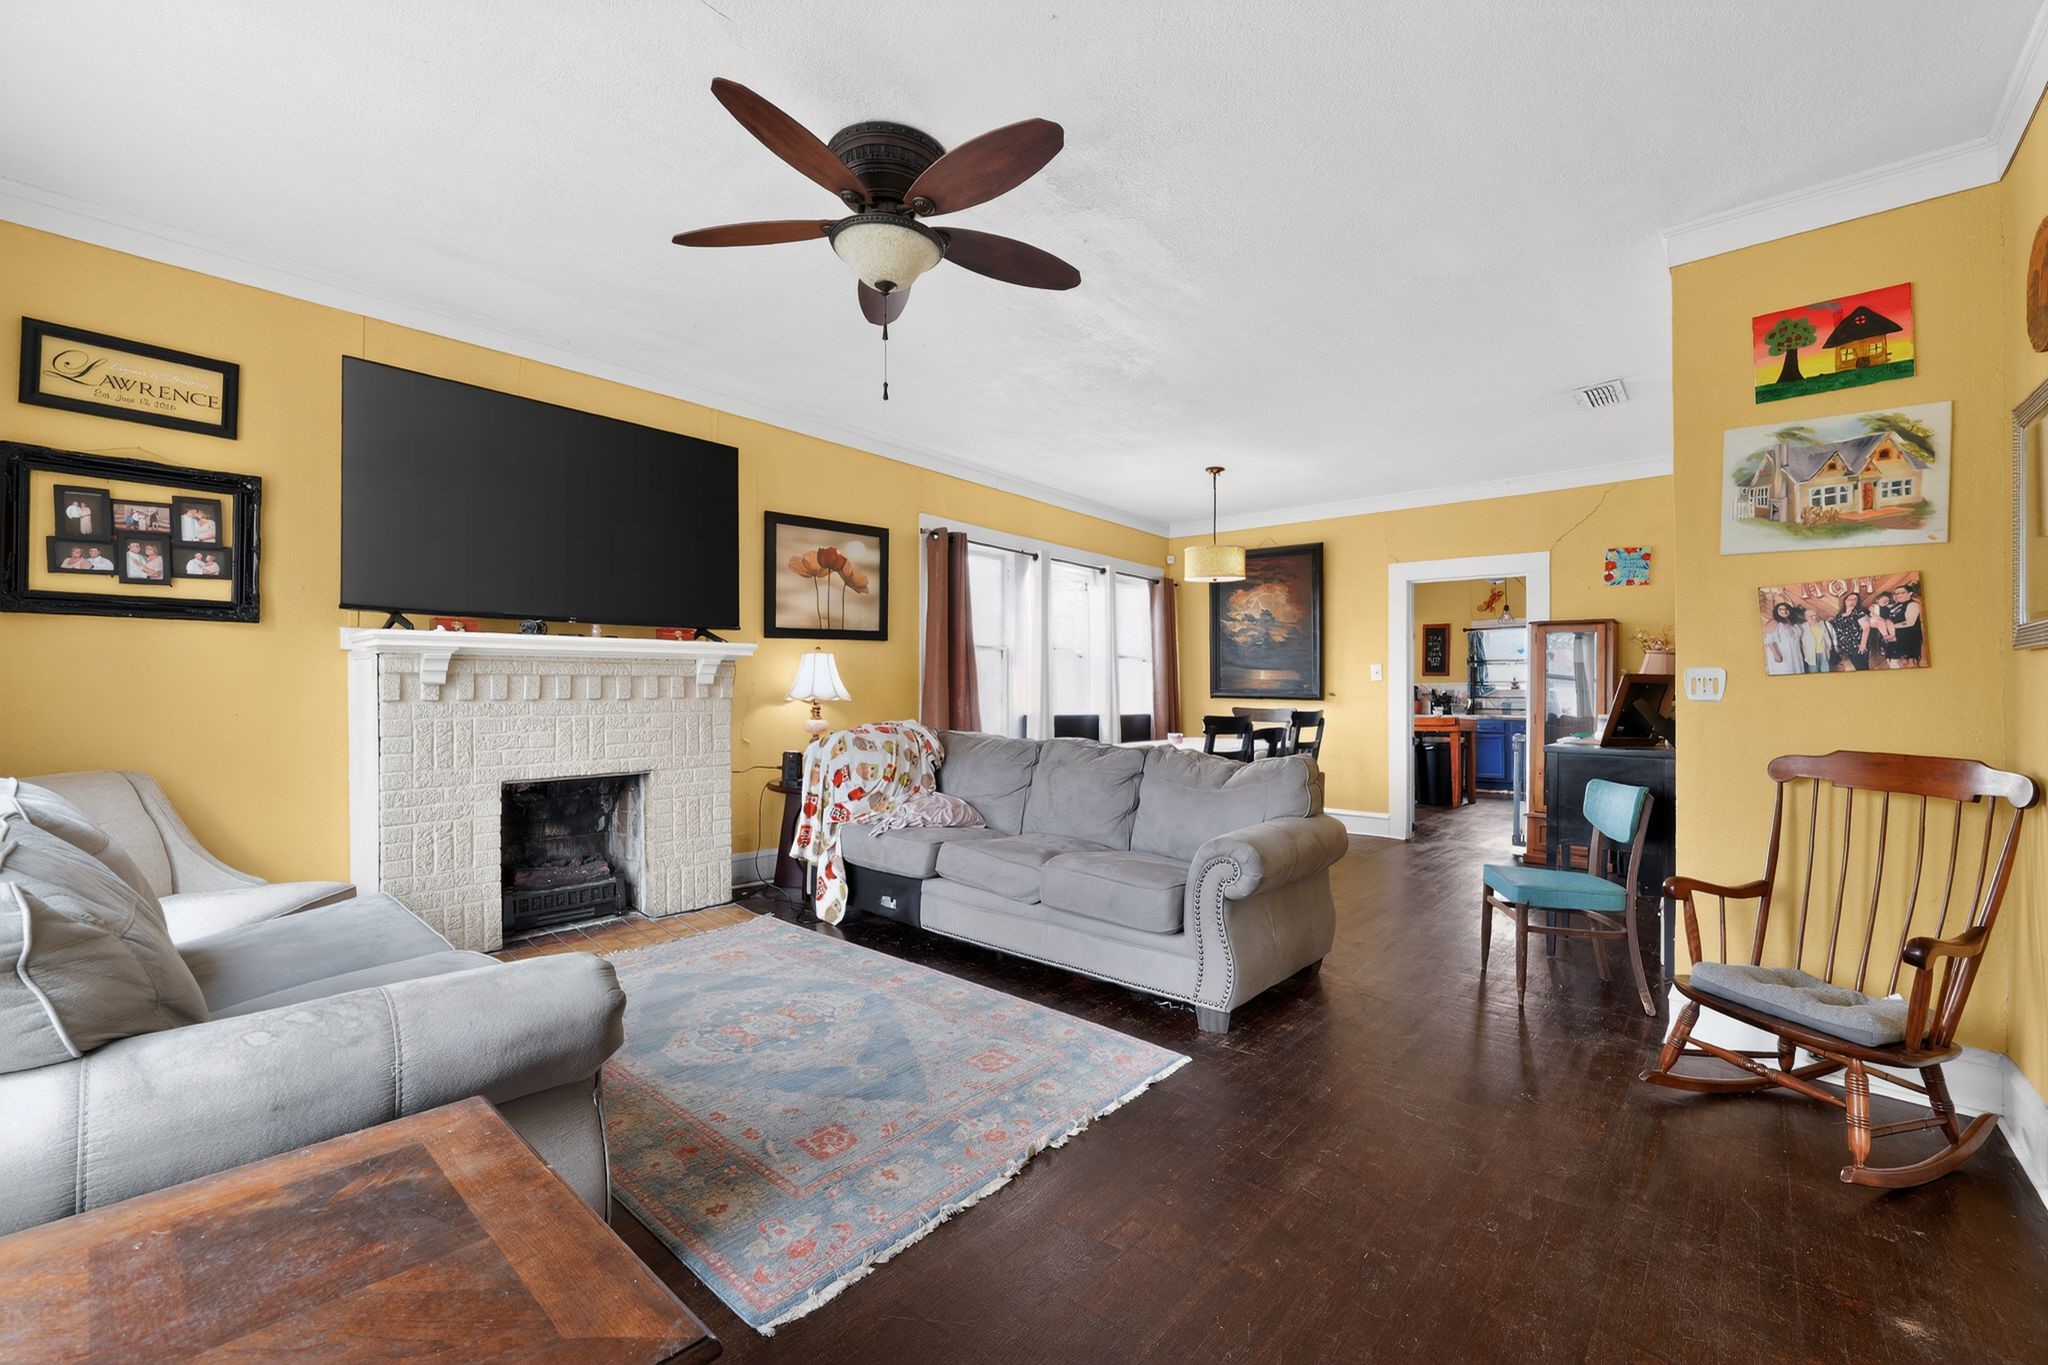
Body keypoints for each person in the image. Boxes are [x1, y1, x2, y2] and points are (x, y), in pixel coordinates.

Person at [1879, 582, 1924, 667]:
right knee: (1893, 663)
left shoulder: (1912, 604)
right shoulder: (1896, 605)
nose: (1898, 595)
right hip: (1892, 639)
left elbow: (1910, 623)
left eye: (1902, 593)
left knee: (1906, 665)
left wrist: (1890, 628)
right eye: (1896, 593)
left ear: (1910, 593)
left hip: (1906, 639)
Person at [1764, 600, 1811, 675]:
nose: (1784, 611)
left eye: (1786, 609)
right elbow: (1769, 640)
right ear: (1776, 611)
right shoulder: (1774, 622)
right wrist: (1777, 655)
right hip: (1784, 655)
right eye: (1781, 609)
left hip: (1796, 655)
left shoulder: (1792, 622)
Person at [1828, 590, 1871, 671]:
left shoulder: (1858, 612)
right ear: (1845, 601)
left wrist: (1863, 645)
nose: (1852, 601)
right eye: (1849, 599)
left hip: (1857, 648)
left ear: (1857, 602)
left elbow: (1866, 627)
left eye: (1855, 599)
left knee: (1863, 670)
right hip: (1847, 649)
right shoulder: (1839, 616)